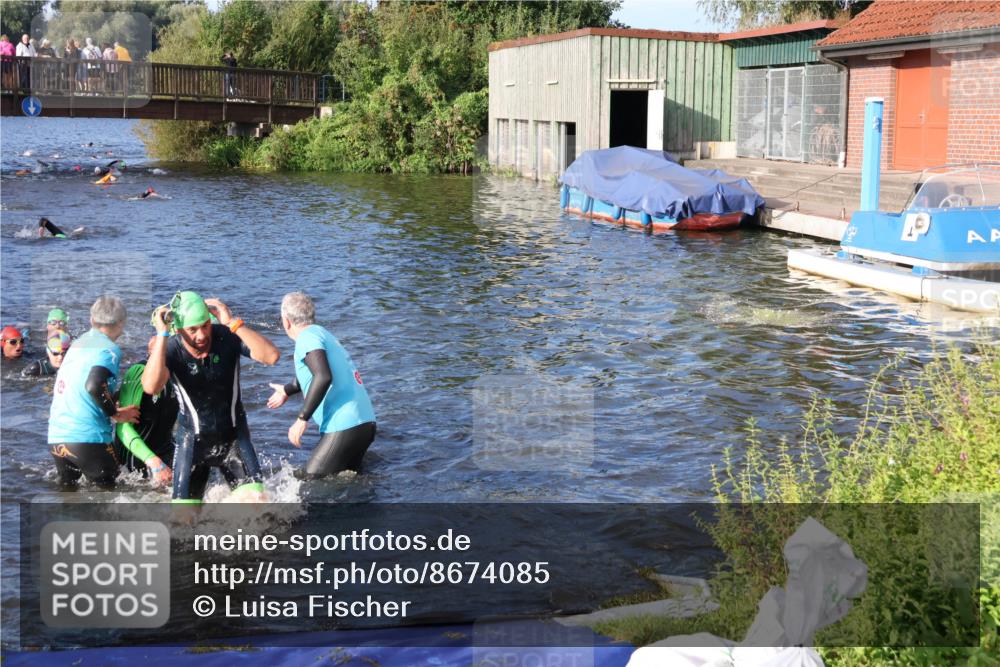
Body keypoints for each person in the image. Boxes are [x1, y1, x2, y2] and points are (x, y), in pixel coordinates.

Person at [142, 291, 280, 504]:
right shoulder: (171, 348)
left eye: (205, 325)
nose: (202, 335)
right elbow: (151, 386)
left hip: (234, 437)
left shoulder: (226, 336)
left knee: (257, 505)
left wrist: (232, 322)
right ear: (178, 329)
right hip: (192, 443)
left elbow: (271, 357)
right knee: (183, 523)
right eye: (192, 329)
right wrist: (161, 335)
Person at [268, 292, 376, 476]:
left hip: (344, 425)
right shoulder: (322, 333)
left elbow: (323, 376)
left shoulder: (306, 338)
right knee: (348, 484)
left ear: (286, 321)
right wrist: (287, 390)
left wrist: (302, 419)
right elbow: (315, 374)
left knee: (309, 481)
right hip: (365, 423)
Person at [48, 295, 139, 489]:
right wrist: (116, 414)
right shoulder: (109, 349)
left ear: (91, 320)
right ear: (122, 323)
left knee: (69, 499)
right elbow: (94, 386)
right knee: (111, 497)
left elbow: (84, 387)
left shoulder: (77, 344)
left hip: (57, 437)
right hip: (88, 438)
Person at [114, 336, 177, 486]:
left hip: (166, 449)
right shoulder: (138, 372)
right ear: (151, 352)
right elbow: (123, 428)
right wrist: (153, 461)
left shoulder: (178, 374)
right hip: (136, 457)